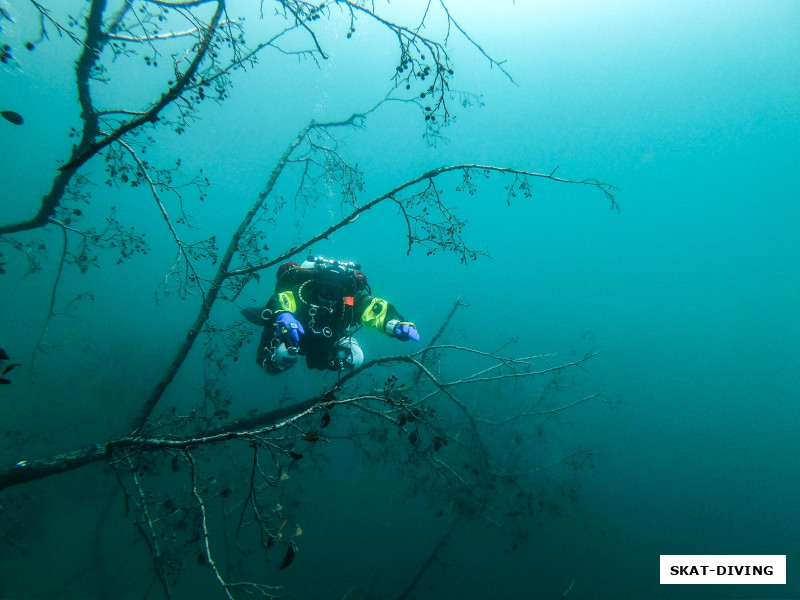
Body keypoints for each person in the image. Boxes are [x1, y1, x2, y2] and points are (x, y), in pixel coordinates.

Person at [249, 256, 419, 374]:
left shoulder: (350, 300)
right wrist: (282, 316)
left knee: (356, 357)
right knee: (282, 354)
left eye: (335, 292)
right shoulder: (303, 290)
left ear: (343, 290)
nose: (328, 296)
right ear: (317, 284)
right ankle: (271, 361)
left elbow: (374, 309)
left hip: (324, 346)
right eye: (324, 289)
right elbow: (280, 300)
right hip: (289, 336)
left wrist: (395, 325)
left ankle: (328, 360)